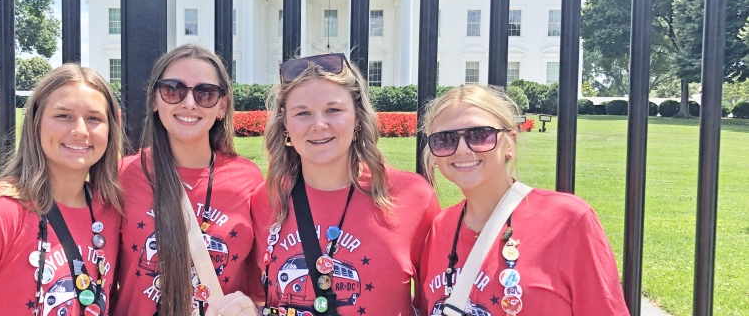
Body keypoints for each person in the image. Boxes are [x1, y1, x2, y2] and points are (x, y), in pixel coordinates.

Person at [0, 64, 126, 316]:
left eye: (94, 118)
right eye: (63, 116)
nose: (80, 131)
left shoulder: (109, 212)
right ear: (35, 122)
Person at [250, 53, 440, 315]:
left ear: (358, 119)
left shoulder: (413, 197)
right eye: (303, 113)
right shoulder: (266, 198)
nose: (319, 125)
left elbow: (433, 303)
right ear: (285, 125)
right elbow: (258, 298)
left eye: (333, 110)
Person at [417, 85, 627, 315]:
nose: (463, 149)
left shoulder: (568, 220)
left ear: (510, 142)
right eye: (445, 140)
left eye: (479, 135)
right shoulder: (439, 228)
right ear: (434, 154)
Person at [113, 44, 263, 315]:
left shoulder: (249, 179)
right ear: (155, 100)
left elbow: (259, 285)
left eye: (205, 93)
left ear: (222, 106)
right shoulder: (122, 174)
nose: (189, 103)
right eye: (173, 89)